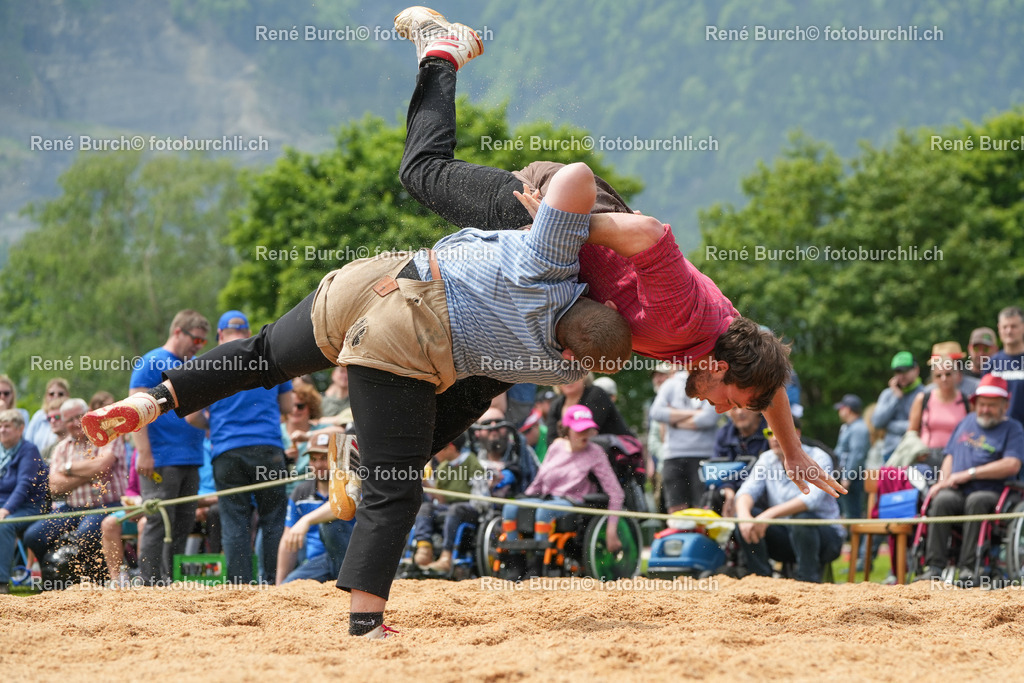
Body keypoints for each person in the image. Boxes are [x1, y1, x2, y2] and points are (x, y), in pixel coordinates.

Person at [83, 158, 631, 637]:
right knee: (393, 487)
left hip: (369, 281)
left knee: (262, 354)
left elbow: (578, 177)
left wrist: (564, 224)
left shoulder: (548, 256)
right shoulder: (548, 364)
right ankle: (366, 621)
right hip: (403, 337)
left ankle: (154, 398)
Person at [392, 6, 840, 499]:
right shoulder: (684, 317)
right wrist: (560, 222)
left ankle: (385, 461)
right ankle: (441, 52)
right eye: (732, 400)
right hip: (551, 213)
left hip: (562, 263)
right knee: (424, 172)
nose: (723, 410)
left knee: (488, 377)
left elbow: (767, 380)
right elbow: (649, 233)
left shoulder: (733, 340)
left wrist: (793, 451)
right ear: (719, 369)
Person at [186, 310, 293, 584]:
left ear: (220, 335)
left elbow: (191, 415)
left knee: (234, 520)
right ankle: (273, 581)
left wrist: (212, 426)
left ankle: (240, 585)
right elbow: (288, 407)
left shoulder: (206, 362)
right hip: (268, 450)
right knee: (272, 518)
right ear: (247, 333)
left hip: (227, 452)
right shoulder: (269, 357)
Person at [916, 374, 1024, 586]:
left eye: (991, 405)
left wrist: (970, 474)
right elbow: (950, 455)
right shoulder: (966, 422)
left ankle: (968, 569)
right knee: (942, 500)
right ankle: (934, 567)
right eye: (982, 404)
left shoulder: (1013, 429)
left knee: (977, 500)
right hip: (957, 489)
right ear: (975, 403)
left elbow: (1012, 464)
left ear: (1004, 405)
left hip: (993, 491)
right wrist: (942, 481)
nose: (985, 410)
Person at [129, 310, 208, 585]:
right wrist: (144, 452)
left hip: (192, 457)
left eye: (203, 342)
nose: (198, 345)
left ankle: (170, 580)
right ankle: (149, 581)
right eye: (195, 339)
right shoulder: (151, 362)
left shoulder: (196, 363)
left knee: (183, 523)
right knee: (157, 521)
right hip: (160, 458)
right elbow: (133, 411)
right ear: (177, 332)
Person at [499, 405, 624, 578]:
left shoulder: (595, 452)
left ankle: (539, 564)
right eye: (580, 430)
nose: (585, 435)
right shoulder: (556, 447)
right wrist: (524, 498)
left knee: (544, 512)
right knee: (510, 508)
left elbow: (616, 492)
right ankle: (515, 562)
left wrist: (612, 529)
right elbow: (540, 480)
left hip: (574, 501)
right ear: (566, 430)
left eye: (588, 430)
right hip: (547, 497)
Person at [24, 398, 128, 588]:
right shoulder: (61, 448)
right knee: (33, 535)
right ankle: (54, 579)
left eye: (79, 417)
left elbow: (103, 466)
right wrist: (89, 473)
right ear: (64, 423)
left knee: (86, 533)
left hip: (106, 505)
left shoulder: (107, 435)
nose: (75, 423)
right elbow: (54, 487)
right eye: (69, 420)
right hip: (71, 507)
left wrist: (69, 469)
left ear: (88, 413)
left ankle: (95, 581)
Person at [735, 417, 845, 583]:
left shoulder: (818, 457)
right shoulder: (766, 459)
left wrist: (769, 514)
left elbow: (811, 500)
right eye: (768, 432)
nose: (773, 438)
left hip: (825, 538)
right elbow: (746, 491)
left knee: (801, 520)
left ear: (796, 434)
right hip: (785, 535)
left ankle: (808, 583)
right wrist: (744, 518)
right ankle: (760, 581)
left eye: (777, 432)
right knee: (747, 519)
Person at [278, 432, 355, 584]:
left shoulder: (351, 484)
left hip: (352, 560)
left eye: (325, 458)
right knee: (288, 587)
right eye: (314, 459)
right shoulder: (300, 492)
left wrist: (306, 520)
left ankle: (348, 585)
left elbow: (339, 506)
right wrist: (279, 585)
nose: (318, 465)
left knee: (332, 525)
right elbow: (288, 542)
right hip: (318, 563)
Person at [411, 432, 486, 574]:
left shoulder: (471, 461)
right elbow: (441, 499)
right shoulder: (442, 467)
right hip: (449, 506)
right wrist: (425, 482)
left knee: (455, 510)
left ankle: (447, 555)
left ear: (450, 447)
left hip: (469, 507)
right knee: (425, 507)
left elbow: (481, 496)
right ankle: (424, 549)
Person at [650, 369, 718, 512]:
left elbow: (709, 418)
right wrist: (694, 413)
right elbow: (656, 412)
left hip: (704, 456)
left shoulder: (711, 381)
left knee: (703, 507)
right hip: (672, 456)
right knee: (676, 509)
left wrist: (673, 420)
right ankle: (679, 534)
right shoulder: (670, 384)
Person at [0, 409, 48, 594]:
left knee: (3, 525)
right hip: (5, 506)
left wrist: (6, 510)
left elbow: (24, 485)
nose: (3, 430)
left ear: (21, 429)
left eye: (8, 426)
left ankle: (2, 583)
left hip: (27, 507)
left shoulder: (29, 450)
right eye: (0, 426)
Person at [908, 346, 970, 466]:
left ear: (956, 375)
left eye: (948, 374)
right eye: (938, 375)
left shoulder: (966, 401)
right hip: (926, 456)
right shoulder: (923, 399)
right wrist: (917, 450)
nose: (944, 378)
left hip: (956, 456)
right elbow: (912, 431)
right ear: (933, 379)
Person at [546, 375, 634, 447]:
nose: (568, 378)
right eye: (562, 373)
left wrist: (561, 443)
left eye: (573, 373)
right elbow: (551, 441)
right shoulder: (556, 405)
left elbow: (587, 435)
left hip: (619, 455)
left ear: (584, 374)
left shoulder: (597, 394)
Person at [712, 406, 769, 516]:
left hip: (763, 490)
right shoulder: (723, 434)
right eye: (733, 408)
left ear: (757, 408)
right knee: (714, 496)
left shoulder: (771, 431)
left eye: (744, 407)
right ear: (727, 412)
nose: (739, 412)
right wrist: (728, 489)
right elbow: (717, 468)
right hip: (732, 488)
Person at [872, 351, 925, 461]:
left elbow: (918, 426)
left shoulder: (924, 393)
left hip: (913, 454)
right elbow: (877, 422)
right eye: (897, 371)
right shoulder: (888, 394)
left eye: (905, 370)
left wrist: (889, 426)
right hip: (890, 453)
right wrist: (895, 398)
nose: (901, 375)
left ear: (916, 370)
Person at [833, 394, 870, 520]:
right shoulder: (848, 427)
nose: (839, 411)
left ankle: (857, 540)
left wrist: (848, 477)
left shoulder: (859, 428)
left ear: (848, 409)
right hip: (845, 475)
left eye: (841, 408)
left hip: (853, 478)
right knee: (845, 511)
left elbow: (857, 455)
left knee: (852, 513)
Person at [989, 306, 1024, 426]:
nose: (1009, 331)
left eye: (1014, 326)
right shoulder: (991, 363)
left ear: (1023, 327)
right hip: (997, 433)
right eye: (1005, 327)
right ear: (999, 328)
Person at [23, 378, 69, 453]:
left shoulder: (71, 415)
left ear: (67, 395)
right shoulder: (39, 416)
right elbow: (27, 441)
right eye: (51, 394)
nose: (55, 396)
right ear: (46, 396)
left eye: (60, 394)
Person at [39, 397, 69, 463]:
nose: (52, 421)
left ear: (67, 417)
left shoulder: (81, 445)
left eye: (57, 417)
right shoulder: (46, 452)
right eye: (49, 418)